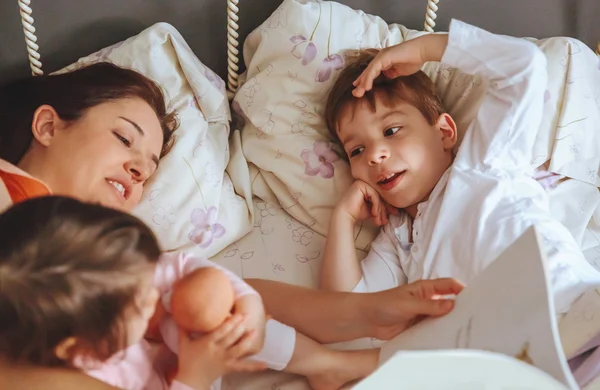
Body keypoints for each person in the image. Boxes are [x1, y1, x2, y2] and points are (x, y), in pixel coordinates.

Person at [0, 62, 462, 388]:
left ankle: (340, 343)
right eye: (124, 138)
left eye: (150, 167)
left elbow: (180, 277)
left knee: (202, 292)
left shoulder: (103, 248)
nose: (140, 172)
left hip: (164, 354)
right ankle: (347, 335)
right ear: (47, 125)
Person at [320, 19, 600, 317]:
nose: (375, 156)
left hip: (572, 312)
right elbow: (349, 318)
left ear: (444, 133)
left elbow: (523, 66)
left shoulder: (482, 163)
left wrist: (425, 49)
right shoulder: (399, 239)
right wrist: (343, 218)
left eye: (391, 131)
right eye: (357, 150)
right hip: (512, 356)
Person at [0, 196, 386, 390]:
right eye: (139, 304)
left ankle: (328, 359)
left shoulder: (109, 276)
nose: (152, 296)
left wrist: (247, 305)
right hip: (187, 379)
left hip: (185, 349)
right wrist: (194, 376)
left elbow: (183, 268)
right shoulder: (99, 376)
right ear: (80, 348)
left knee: (209, 300)